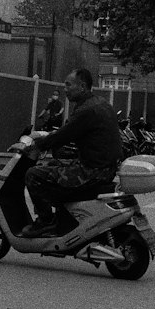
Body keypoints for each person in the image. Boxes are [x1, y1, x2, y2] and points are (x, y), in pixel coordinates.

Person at [22, 69, 125, 236]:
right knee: (54, 165)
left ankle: (45, 222)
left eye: (68, 85)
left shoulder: (86, 110)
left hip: (91, 170)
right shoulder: (101, 103)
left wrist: (37, 146)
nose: (65, 89)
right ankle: (65, 217)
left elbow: (64, 134)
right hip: (106, 168)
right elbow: (77, 133)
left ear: (82, 86)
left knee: (34, 174)